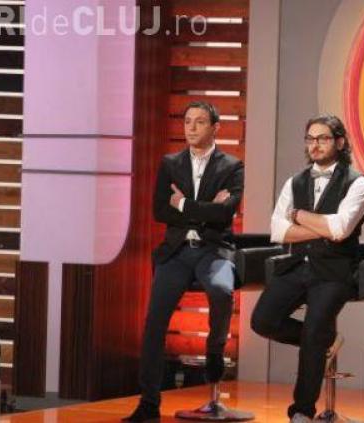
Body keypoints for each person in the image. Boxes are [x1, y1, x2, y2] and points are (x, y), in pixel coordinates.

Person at [123, 101, 244, 422]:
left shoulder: (232, 166)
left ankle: (215, 349)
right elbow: (160, 210)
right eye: (187, 121)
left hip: (213, 250)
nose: (191, 127)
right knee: (154, 322)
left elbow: (225, 213)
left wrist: (184, 204)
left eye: (199, 122)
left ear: (215, 127)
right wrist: (203, 209)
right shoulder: (170, 163)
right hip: (176, 252)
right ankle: (149, 403)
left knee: (221, 290)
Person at [251, 114, 364, 423]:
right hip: (296, 266)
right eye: (310, 139)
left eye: (323, 138)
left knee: (314, 331)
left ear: (340, 142)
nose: (315, 145)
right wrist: (321, 227)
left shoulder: (357, 183)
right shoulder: (295, 181)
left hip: (334, 271)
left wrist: (297, 216)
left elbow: (340, 229)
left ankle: (302, 412)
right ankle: (324, 342)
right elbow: (278, 231)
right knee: (262, 321)